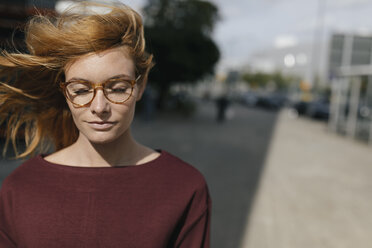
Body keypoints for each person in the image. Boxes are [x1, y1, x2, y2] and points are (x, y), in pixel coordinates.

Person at [0, 2, 211, 247]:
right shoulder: (20, 187)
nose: (99, 107)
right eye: (81, 90)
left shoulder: (185, 187)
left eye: (118, 88)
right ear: (65, 93)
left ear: (141, 87)